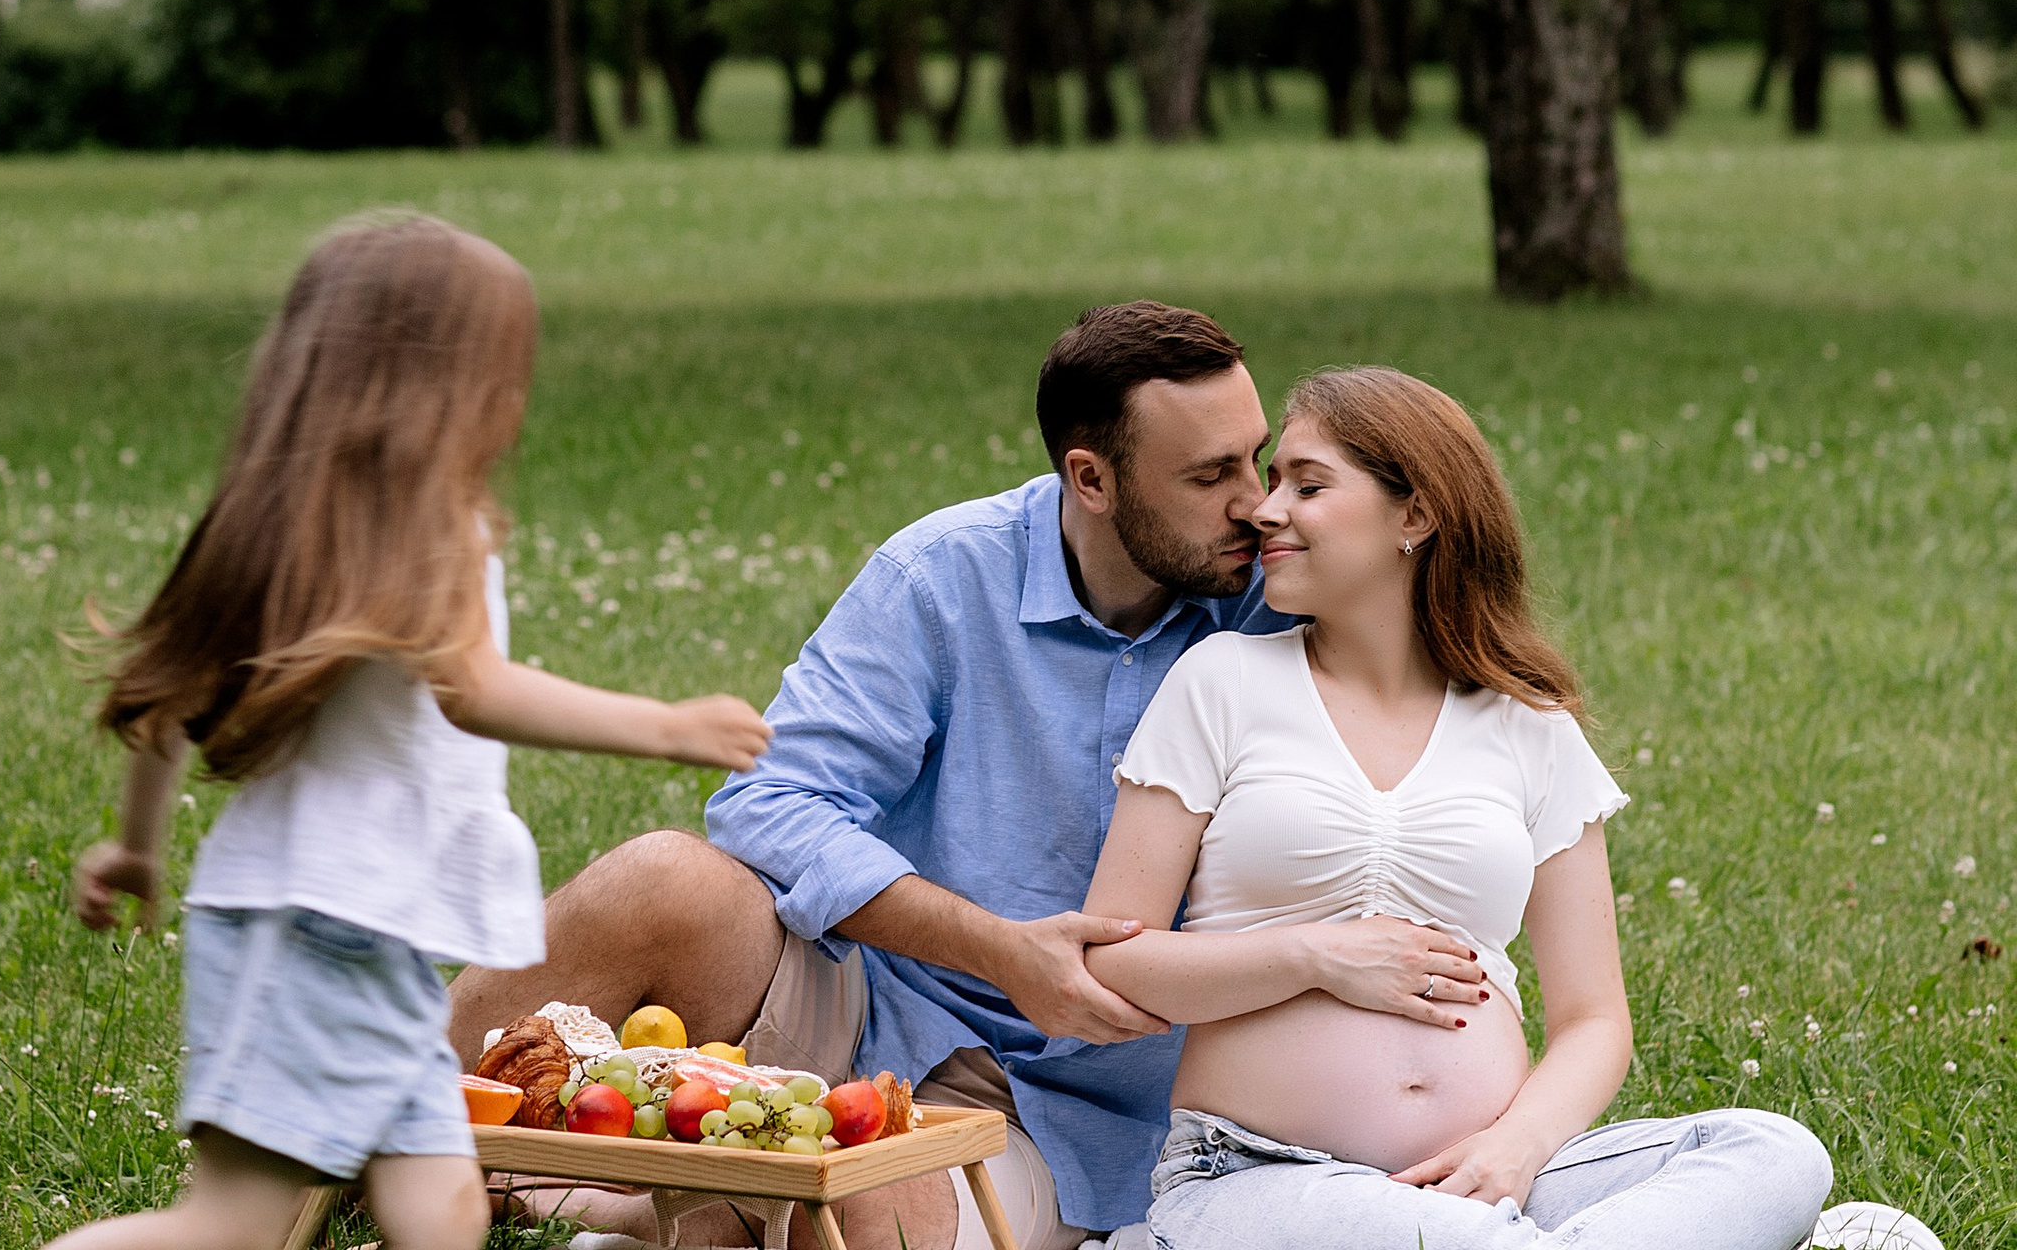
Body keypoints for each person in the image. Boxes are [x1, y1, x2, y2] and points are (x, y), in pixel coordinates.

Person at [450, 301, 1288, 1250]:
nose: (1255, 502)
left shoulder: (1282, 598)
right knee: (665, 880)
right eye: (1211, 474)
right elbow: (769, 802)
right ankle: (375, 1121)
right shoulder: (943, 578)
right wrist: (1002, 949)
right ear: (1090, 478)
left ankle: (607, 1201)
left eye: (1255, 459)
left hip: (1076, 1112)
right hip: (883, 1011)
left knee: (875, 1223)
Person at [1080, 365, 1933, 1250]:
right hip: (1259, 1176)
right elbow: (1116, 960)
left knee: (1773, 1149)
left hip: (1492, 1184)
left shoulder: (1527, 725)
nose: (1265, 509)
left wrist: (1515, 1149)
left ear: (1414, 514)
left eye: (1309, 484)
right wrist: (1314, 956)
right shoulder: (1221, 683)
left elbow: (1595, 1021)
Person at [49, 213, 772, 1250]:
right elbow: (469, 686)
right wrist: (661, 724)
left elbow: (169, 701)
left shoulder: (288, 521)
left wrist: (135, 845)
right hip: (320, 935)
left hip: (323, 930)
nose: (513, 403)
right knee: (229, 1227)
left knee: (440, 1207)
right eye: (501, 372)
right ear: (439, 386)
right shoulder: (434, 524)